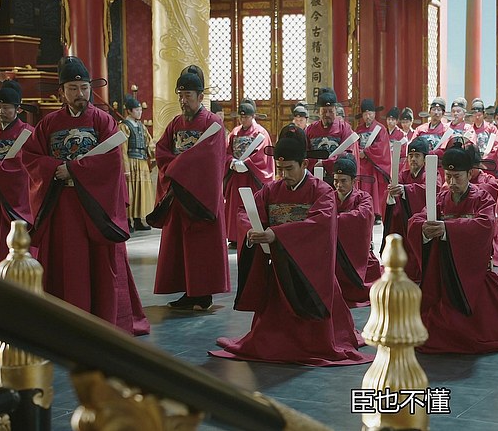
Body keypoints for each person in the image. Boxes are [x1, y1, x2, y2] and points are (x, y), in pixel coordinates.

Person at [210, 125, 371, 366]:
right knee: (269, 335)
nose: (284, 174)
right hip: (279, 266)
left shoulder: (322, 191)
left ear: (304, 164)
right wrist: (252, 229)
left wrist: (276, 234)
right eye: (280, 169)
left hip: (310, 272)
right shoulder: (271, 190)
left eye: (289, 169)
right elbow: (246, 211)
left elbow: (319, 225)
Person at [23, 56, 149, 335]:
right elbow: (31, 157)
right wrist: (56, 168)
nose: (80, 94)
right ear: (61, 92)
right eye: (73, 88)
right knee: (66, 263)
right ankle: (64, 320)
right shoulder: (48, 124)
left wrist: (74, 170)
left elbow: (111, 162)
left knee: (99, 265)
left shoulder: (103, 121)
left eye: (84, 88)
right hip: (62, 205)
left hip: (94, 208)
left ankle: (101, 319)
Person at [407, 146, 498, 354]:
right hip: (446, 273)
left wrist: (447, 229)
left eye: (457, 177)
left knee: (476, 331)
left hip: (474, 275)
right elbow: (417, 219)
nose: (452, 182)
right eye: (448, 176)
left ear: (469, 174)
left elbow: (485, 225)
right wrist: (423, 228)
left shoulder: (482, 198)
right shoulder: (441, 198)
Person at [147, 65, 230, 311]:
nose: (183, 101)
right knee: (181, 246)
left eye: (188, 96)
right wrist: (177, 168)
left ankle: (203, 294)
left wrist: (177, 167)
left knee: (201, 245)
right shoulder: (175, 124)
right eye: (180, 96)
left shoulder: (213, 123)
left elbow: (209, 159)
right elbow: (162, 150)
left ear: (200, 96)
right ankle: (187, 291)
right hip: (179, 195)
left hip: (200, 196)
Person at [0, 81, 34, 267]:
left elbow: (25, 164)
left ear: (18, 109)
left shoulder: (27, 133)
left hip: (16, 197)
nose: (1, 111)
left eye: (6, 108)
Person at [382, 137, 440, 283]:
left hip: (422, 217)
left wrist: (406, 190)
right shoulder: (403, 175)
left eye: (417, 156)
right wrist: (391, 193)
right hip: (403, 218)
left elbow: (433, 191)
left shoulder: (431, 174)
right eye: (410, 156)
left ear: (425, 159)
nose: (413, 159)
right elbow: (392, 195)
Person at [224, 99, 274, 248]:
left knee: (252, 205)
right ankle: (234, 237)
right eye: (241, 117)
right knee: (235, 205)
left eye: (246, 117)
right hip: (236, 175)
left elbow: (262, 155)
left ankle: (253, 234)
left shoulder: (260, 133)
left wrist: (247, 164)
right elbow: (226, 151)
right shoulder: (234, 133)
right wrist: (231, 162)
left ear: (253, 116)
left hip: (251, 176)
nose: (243, 119)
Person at [332, 155, 382, 307]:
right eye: (336, 180)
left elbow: (361, 217)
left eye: (343, 181)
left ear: (354, 181)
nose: (338, 185)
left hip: (359, 253)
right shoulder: (329, 197)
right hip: (335, 251)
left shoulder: (363, 198)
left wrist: (333, 221)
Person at [305, 88, 359, 179]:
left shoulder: (344, 128)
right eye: (324, 111)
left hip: (338, 176)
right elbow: (304, 153)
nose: (327, 114)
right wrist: (315, 163)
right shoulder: (310, 129)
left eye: (331, 111)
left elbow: (347, 154)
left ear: (336, 110)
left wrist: (325, 163)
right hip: (314, 176)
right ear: (319, 111)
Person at [119, 95, 155, 232]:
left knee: (141, 192)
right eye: (137, 110)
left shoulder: (141, 126)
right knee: (131, 192)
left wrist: (155, 155)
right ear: (129, 111)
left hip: (142, 162)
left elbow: (149, 143)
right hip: (131, 161)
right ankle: (128, 220)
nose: (140, 112)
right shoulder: (124, 126)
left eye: (140, 110)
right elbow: (122, 148)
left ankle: (139, 219)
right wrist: (125, 168)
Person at [356, 98, 390, 222]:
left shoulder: (380, 129)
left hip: (373, 165)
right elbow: (355, 144)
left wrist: (365, 152)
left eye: (370, 113)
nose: (368, 116)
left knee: (373, 188)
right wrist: (358, 151)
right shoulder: (359, 129)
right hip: (361, 164)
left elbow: (381, 147)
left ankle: (376, 213)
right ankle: (362, 210)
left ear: (374, 114)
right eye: (365, 114)